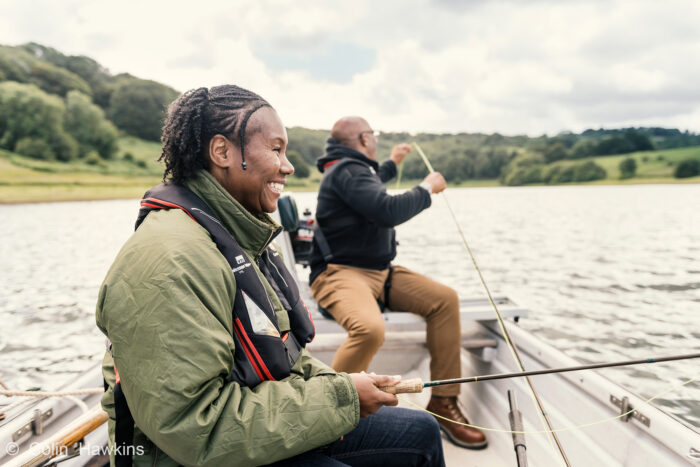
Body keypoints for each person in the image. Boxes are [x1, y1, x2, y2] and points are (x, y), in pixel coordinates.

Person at [96, 86, 444, 467]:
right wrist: (343, 398)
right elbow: (196, 427)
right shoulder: (169, 260)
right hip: (187, 455)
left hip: (255, 423)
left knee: (421, 432)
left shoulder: (239, 234)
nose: (288, 165)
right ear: (222, 152)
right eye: (276, 149)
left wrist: (342, 386)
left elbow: (284, 358)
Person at [309, 116, 487, 450]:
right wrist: (426, 189)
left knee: (445, 300)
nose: (374, 140)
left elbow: (375, 180)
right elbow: (387, 210)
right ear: (363, 139)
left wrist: (394, 162)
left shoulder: (354, 169)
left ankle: (443, 403)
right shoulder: (347, 171)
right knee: (370, 328)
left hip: (381, 272)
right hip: (340, 273)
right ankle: (329, 410)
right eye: (372, 136)